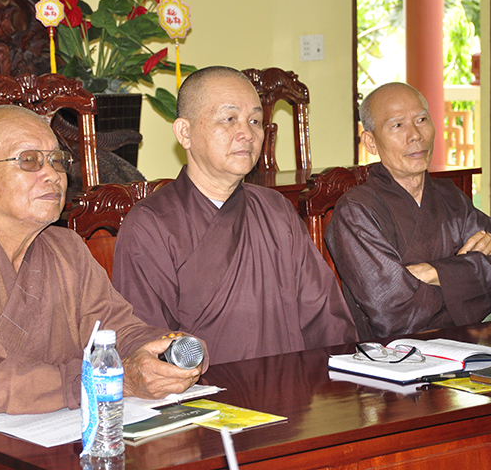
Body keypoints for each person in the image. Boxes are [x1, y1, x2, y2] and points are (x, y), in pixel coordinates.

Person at [0, 105, 205, 470]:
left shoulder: (66, 248)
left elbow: (119, 332)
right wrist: (106, 380)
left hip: (53, 447)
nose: (52, 174)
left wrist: (169, 351)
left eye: (56, 161)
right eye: (29, 161)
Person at [111, 66, 357, 365]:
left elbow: (325, 316)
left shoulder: (276, 209)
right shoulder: (151, 224)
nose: (247, 134)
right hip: (206, 393)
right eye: (229, 119)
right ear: (185, 132)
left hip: (293, 384)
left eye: (255, 121)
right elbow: (147, 345)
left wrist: (345, 372)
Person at [325, 82, 491, 340]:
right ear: (370, 142)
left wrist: (431, 273)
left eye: (422, 120)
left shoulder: (450, 197)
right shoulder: (356, 211)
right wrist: (464, 278)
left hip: (464, 344)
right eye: (398, 125)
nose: (415, 135)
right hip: (391, 354)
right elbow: (393, 315)